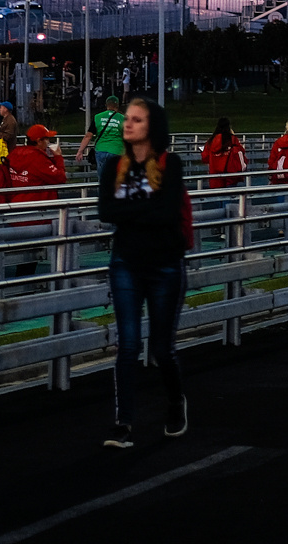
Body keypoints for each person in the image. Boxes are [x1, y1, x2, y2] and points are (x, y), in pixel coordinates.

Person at [98, 99, 189, 446]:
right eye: (128, 119)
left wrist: (129, 210)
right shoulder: (114, 165)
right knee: (128, 345)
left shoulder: (170, 163)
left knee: (162, 349)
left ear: (152, 126)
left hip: (165, 264)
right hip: (126, 262)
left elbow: (167, 212)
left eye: (137, 120)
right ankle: (123, 423)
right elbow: (106, 211)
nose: (128, 124)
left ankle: (175, 402)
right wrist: (147, 207)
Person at [0, 124, 68, 203]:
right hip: (38, 203)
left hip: (15, 201)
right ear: (39, 141)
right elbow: (60, 178)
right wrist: (58, 157)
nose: (48, 142)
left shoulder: (14, 153)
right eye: (46, 139)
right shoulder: (38, 158)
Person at [83, 96, 125, 182]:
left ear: (106, 105)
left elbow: (88, 136)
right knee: (116, 179)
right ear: (117, 105)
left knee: (102, 179)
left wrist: (80, 151)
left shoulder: (98, 117)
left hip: (101, 150)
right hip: (117, 150)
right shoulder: (122, 118)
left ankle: (103, 190)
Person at [200, 117, 246, 189]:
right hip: (230, 175)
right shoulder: (232, 140)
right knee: (230, 194)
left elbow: (205, 158)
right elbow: (241, 151)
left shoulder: (211, 141)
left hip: (215, 176)